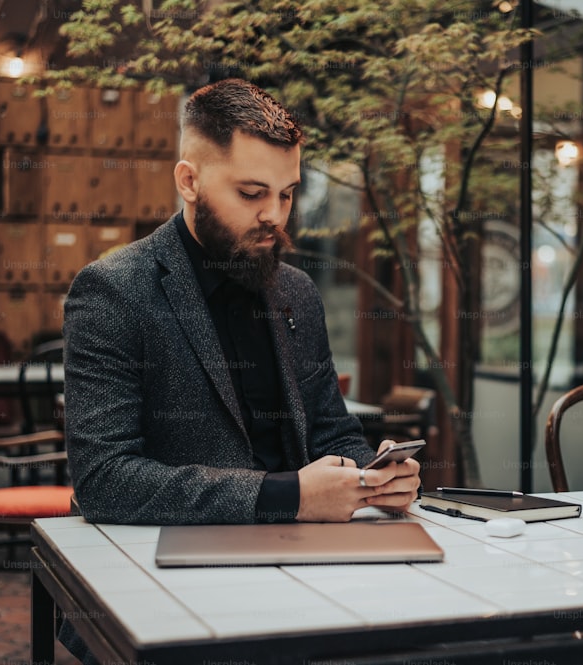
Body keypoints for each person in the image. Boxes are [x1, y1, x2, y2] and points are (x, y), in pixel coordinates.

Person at [59, 77, 421, 662]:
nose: (274, 216)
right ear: (189, 181)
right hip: (167, 575)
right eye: (252, 192)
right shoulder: (113, 292)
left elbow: (332, 431)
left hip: (308, 561)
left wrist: (374, 475)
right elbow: (105, 481)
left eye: (286, 193)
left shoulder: (295, 292)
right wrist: (288, 496)